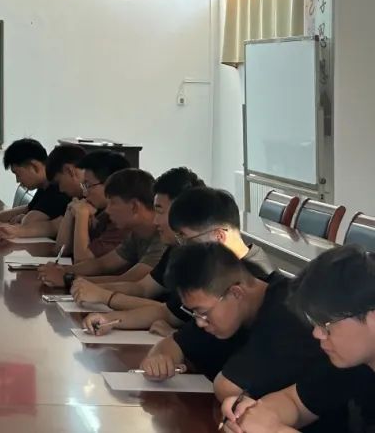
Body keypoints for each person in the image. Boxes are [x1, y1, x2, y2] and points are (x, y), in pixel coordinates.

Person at [138, 243, 333, 412]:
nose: (199, 322)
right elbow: (171, 344)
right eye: (195, 313)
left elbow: (227, 388)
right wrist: (159, 359)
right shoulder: (223, 313)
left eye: (202, 312)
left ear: (236, 293)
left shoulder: (288, 314)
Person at [79, 184, 272, 336]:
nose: (182, 246)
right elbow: (168, 312)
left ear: (219, 236)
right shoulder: (205, 266)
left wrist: (179, 338)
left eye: (186, 239)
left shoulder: (256, 278)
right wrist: (110, 320)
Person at [221, 246, 375, 433]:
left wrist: (275, 430)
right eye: (314, 322)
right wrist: (254, 413)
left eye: (326, 324)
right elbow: (294, 402)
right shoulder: (353, 362)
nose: (317, 334)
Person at [72, 166, 202, 316]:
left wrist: (104, 296)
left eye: (160, 211)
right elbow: (142, 288)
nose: (155, 220)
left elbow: (171, 312)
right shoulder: (174, 248)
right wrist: (79, 283)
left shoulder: (204, 258)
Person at [38, 168, 166, 287]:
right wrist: (63, 270)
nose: (107, 211)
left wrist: (68, 279)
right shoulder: (137, 233)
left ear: (134, 206)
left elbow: (130, 281)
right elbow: (102, 264)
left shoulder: (163, 236)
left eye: (113, 203)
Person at [0, 144, 85, 241]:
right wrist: (3, 219)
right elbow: (54, 225)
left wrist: (20, 223)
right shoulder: (73, 197)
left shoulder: (58, 190)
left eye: (18, 174)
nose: (61, 189)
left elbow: (34, 222)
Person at [54, 152, 131, 262]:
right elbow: (61, 251)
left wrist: (81, 215)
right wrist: (69, 211)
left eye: (88, 185)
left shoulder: (123, 220)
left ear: (110, 184)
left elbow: (82, 261)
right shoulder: (103, 215)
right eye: (84, 186)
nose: (85, 193)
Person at [0, 139, 70, 230]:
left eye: (18, 174)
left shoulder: (57, 188)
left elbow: (30, 221)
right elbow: (29, 208)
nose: (17, 180)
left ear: (34, 166)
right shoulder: (44, 185)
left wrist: (23, 218)